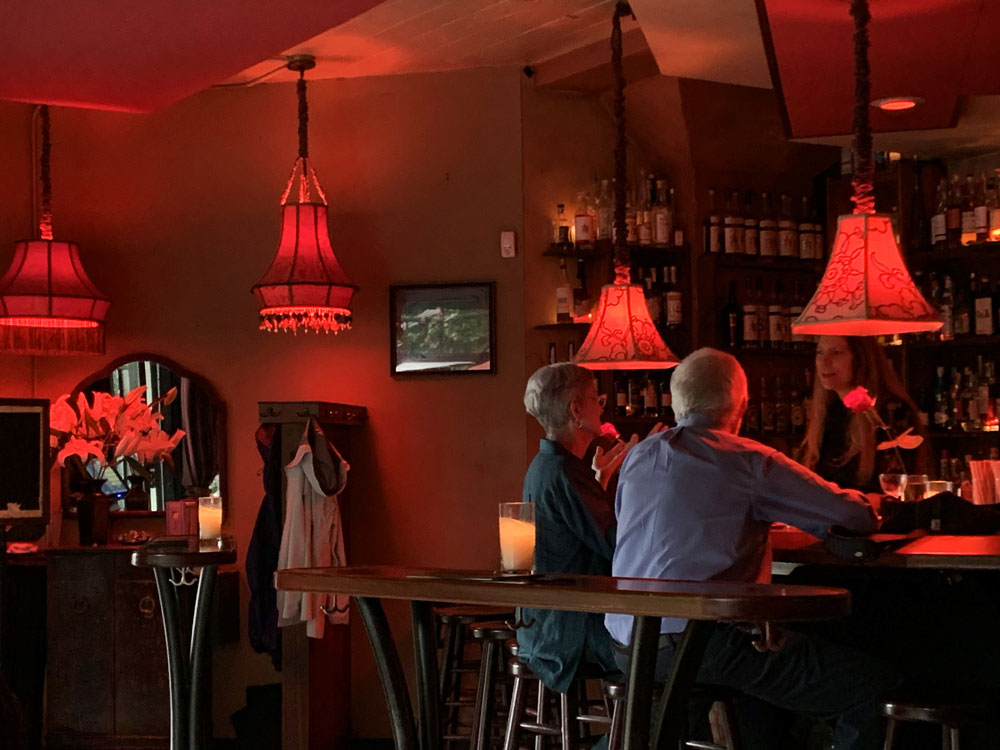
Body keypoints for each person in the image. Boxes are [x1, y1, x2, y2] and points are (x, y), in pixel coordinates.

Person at [606, 348, 899, 750]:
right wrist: (876, 503)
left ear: (676, 403)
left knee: (764, 676)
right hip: (701, 644)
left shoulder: (639, 456)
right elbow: (855, 516)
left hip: (629, 644)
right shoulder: (749, 461)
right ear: (741, 406)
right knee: (873, 689)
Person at [517, 363, 637, 694]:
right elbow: (616, 547)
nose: (602, 406)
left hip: (549, 624)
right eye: (596, 399)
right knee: (671, 659)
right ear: (576, 409)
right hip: (571, 630)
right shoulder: (564, 472)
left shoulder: (550, 465)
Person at [800, 335, 928, 493]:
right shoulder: (828, 412)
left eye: (837, 352)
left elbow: (896, 487)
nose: (824, 361)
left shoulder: (891, 411)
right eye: (820, 352)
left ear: (861, 359)